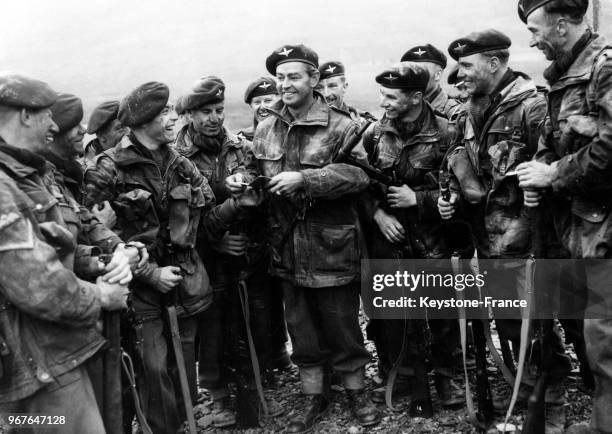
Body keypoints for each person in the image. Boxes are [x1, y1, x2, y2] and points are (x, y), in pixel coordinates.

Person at [84, 81, 259, 433]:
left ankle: (179, 425)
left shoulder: (181, 166)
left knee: (182, 372)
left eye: (168, 113)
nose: (170, 120)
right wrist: (150, 273)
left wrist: (235, 205)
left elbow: (206, 224)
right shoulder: (108, 168)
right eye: (162, 114)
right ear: (142, 121)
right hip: (138, 291)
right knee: (153, 371)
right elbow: (90, 230)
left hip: (185, 285)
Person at [227, 43, 381, 432]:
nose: (284, 85)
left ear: (313, 78)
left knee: (342, 325)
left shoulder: (343, 125)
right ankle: (313, 395)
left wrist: (307, 180)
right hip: (286, 247)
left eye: (293, 76)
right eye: (280, 78)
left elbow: (362, 176)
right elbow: (253, 171)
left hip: (331, 246)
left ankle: (356, 393)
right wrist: (243, 184)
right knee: (302, 329)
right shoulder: (266, 127)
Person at [438, 29, 571, 433]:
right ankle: (527, 384)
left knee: (541, 321)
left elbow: (558, 167)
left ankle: (552, 396)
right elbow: (468, 173)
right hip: (491, 241)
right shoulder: (468, 113)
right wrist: (452, 201)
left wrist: (542, 187)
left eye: (466, 66)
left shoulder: (532, 108)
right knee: (513, 320)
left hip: (531, 239)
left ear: (495, 64)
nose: (459, 75)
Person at [0, 73, 129, 434]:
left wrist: (104, 259)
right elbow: (38, 284)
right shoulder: (4, 184)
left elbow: (53, 243)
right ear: (25, 114)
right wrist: (102, 295)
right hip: (39, 360)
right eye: (46, 115)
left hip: (40, 353)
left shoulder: (25, 172)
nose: (54, 125)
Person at [516, 1, 612, 432]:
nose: (532, 39)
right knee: (600, 344)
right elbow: (552, 140)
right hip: (583, 229)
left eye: (535, 29)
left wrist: (554, 174)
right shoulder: (562, 77)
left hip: (605, 228)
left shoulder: (603, 70)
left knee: (607, 343)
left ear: (560, 25)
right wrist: (539, 176)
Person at [175, 75, 282, 428]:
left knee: (253, 323)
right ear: (189, 115)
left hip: (245, 257)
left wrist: (248, 194)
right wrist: (215, 240)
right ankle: (219, 394)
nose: (214, 118)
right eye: (205, 111)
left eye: (219, 110)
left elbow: (260, 200)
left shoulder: (240, 147)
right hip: (204, 259)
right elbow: (181, 221)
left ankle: (257, 387)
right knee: (212, 330)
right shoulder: (176, 158)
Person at [360, 64, 463, 410]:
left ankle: (447, 378)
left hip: (432, 240)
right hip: (391, 239)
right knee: (394, 315)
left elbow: (458, 191)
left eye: (391, 96)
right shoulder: (375, 134)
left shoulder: (448, 133)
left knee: (441, 314)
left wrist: (417, 199)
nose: (383, 102)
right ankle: (404, 376)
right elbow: (363, 185)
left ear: (416, 97)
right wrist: (379, 214)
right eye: (382, 95)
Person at [400, 44, 460, 119]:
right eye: (409, 72)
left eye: (420, 71)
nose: (413, 77)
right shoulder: (399, 109)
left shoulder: (454, 113)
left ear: (438, 74)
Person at [238, 76, 280, 141]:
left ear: (279, 102)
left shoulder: (292, 134)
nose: (262, 106)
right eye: (257, 102)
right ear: (251, 105)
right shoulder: (244, 139)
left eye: (268, 101)